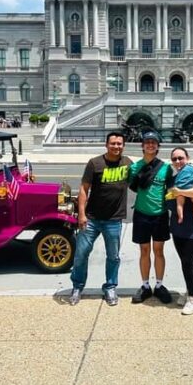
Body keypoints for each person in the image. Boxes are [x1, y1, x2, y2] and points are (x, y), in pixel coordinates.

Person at [69, 131, 132, 306]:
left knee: (113, 256)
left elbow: (140, 182)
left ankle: (110, 287)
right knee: (81, 254)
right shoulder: (95, 163)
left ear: (123, 146)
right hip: (91, 218)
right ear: (106, 145)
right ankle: (77, 286)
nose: (116, 146)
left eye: (119, 144)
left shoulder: (127, 163)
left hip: (114, 220)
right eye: (113, 143)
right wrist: (81, 214)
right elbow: (84, 189)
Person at [129, 130, 173, 304]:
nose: (150, 145)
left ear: (157, 147)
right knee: (144, 251)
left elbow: (171, 190)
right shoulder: (135, 167)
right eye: (147, 142)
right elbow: (133, 186)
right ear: (142, 145)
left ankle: (160, 285)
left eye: (153, 142)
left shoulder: (165, 168)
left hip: (160, 215)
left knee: (159, 251)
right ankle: (146, 285)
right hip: (141, 214)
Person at [166, 147, 193, 315]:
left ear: (187, 158)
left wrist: (180, 192)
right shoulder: (173, 179)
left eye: (181, 158)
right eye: (175, 159)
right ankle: (191, 290)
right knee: (185, 262)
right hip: (178, 227)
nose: (178, 161)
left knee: (187, 261)